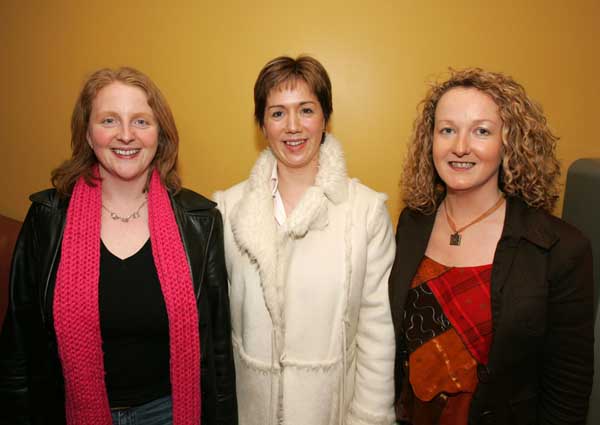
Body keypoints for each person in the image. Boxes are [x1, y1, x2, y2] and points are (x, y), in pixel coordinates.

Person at [0, 67, 237, 425]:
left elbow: (218, 350)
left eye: (141, 121)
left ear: (161, 135)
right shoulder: (47, 219)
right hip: (68, 412)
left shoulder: (200, 222)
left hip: (170, 413)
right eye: (109, 120)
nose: (126, 135)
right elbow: (18, 345)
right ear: (88, 133)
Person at [389, 68, 594, 424]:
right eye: (447, 130)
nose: (460, 146)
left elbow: (568, 391)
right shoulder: (412, 224)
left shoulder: (560, 248)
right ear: (430, 140)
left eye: (481, 131)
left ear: (509, 142)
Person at [214, 55, 396, 425]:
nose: (293, 127)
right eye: (278, 113)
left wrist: (369, 419)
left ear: (325, 118)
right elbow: (216, 333)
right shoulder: (226, 209)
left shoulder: (365, 213)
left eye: (306, 110)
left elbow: (376, 332)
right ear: (262, 125)